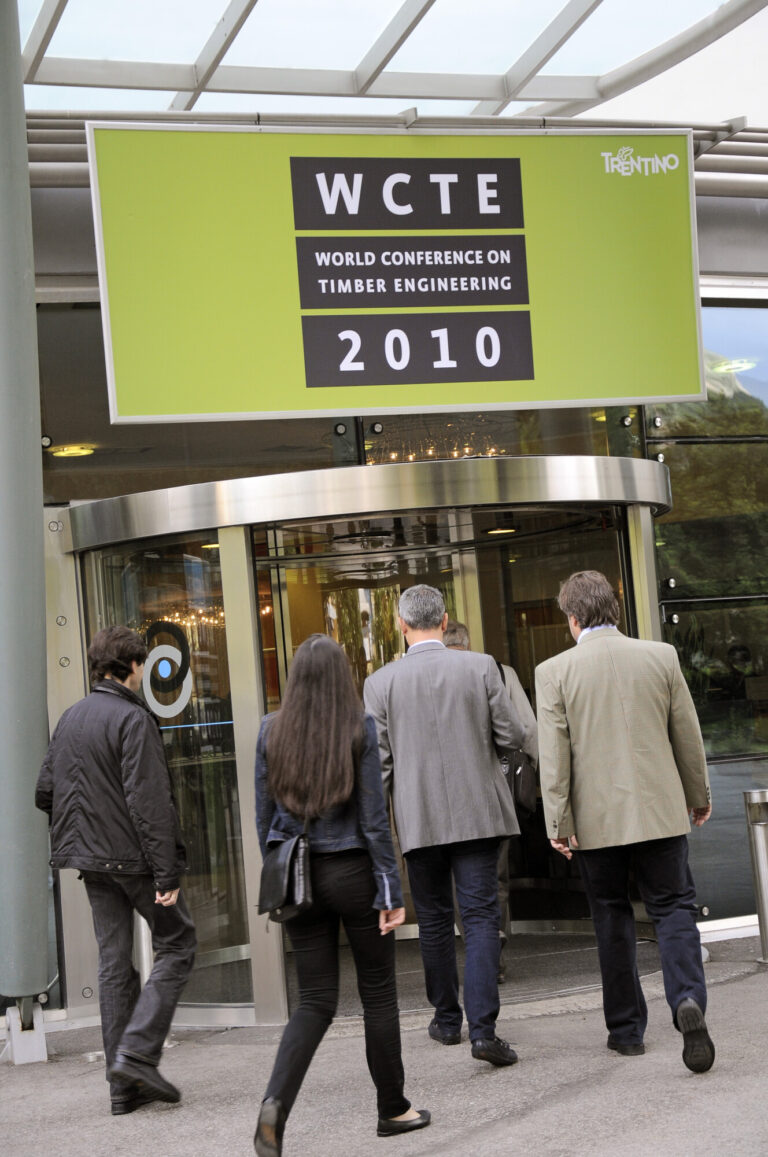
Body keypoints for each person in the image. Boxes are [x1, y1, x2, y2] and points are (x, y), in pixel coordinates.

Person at [253, 634, 429, 1157]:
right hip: (353, 873)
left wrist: (279, 873)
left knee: (313, 1002)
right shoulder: (359, 727)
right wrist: (390, 889)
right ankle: (393, 1109)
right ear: (340, 677)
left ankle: (275, 1105)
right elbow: (374, 820)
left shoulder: (269, 730)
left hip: (299, 876)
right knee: (378, 994)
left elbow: (265, 820)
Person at [535, 571, 715, 1073]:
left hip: (596, 823)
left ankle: (626, 1030)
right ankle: (688, 998)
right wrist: (697, 796)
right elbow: (687, 736)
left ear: (573, 619)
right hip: (660, 812)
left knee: (611, 916)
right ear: (614, 610)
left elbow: (555, 758)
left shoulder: (553, 672)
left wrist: (558, 821)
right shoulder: (662, 656)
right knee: (673, 908)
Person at [35, 626, 196, 1114]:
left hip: (89, 860)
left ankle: (122, 1088)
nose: (143, 672)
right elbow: (150, 803)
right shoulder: (133, 718)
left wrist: (85, 828)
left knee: (113, 963)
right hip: (133, 860)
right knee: (178, 943)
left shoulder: (71, 718)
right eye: (142, 664)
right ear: (133, 666)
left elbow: (45, 792)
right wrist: (166, 874)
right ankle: (138, 1054)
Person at [364, 586, 525, 1067]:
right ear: (444, 619)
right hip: (478, 811)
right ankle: (484, 1030)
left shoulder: (380, 683)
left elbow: (379, 766)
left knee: (433, 920)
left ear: (401, 625)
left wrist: (377, 830)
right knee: (480, 918)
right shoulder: (480, 666)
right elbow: (511, 735)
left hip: (419, 819)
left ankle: (447, 1021)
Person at [443, 620, 538, 983]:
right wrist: (538, 776)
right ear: (469, 644)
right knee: (495, 874)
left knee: (457, 878)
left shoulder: (427, 677)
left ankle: (476, 947)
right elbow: (526, 731)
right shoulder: (498, 671)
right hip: (495, 793)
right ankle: (493, 948)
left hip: (449, 796)